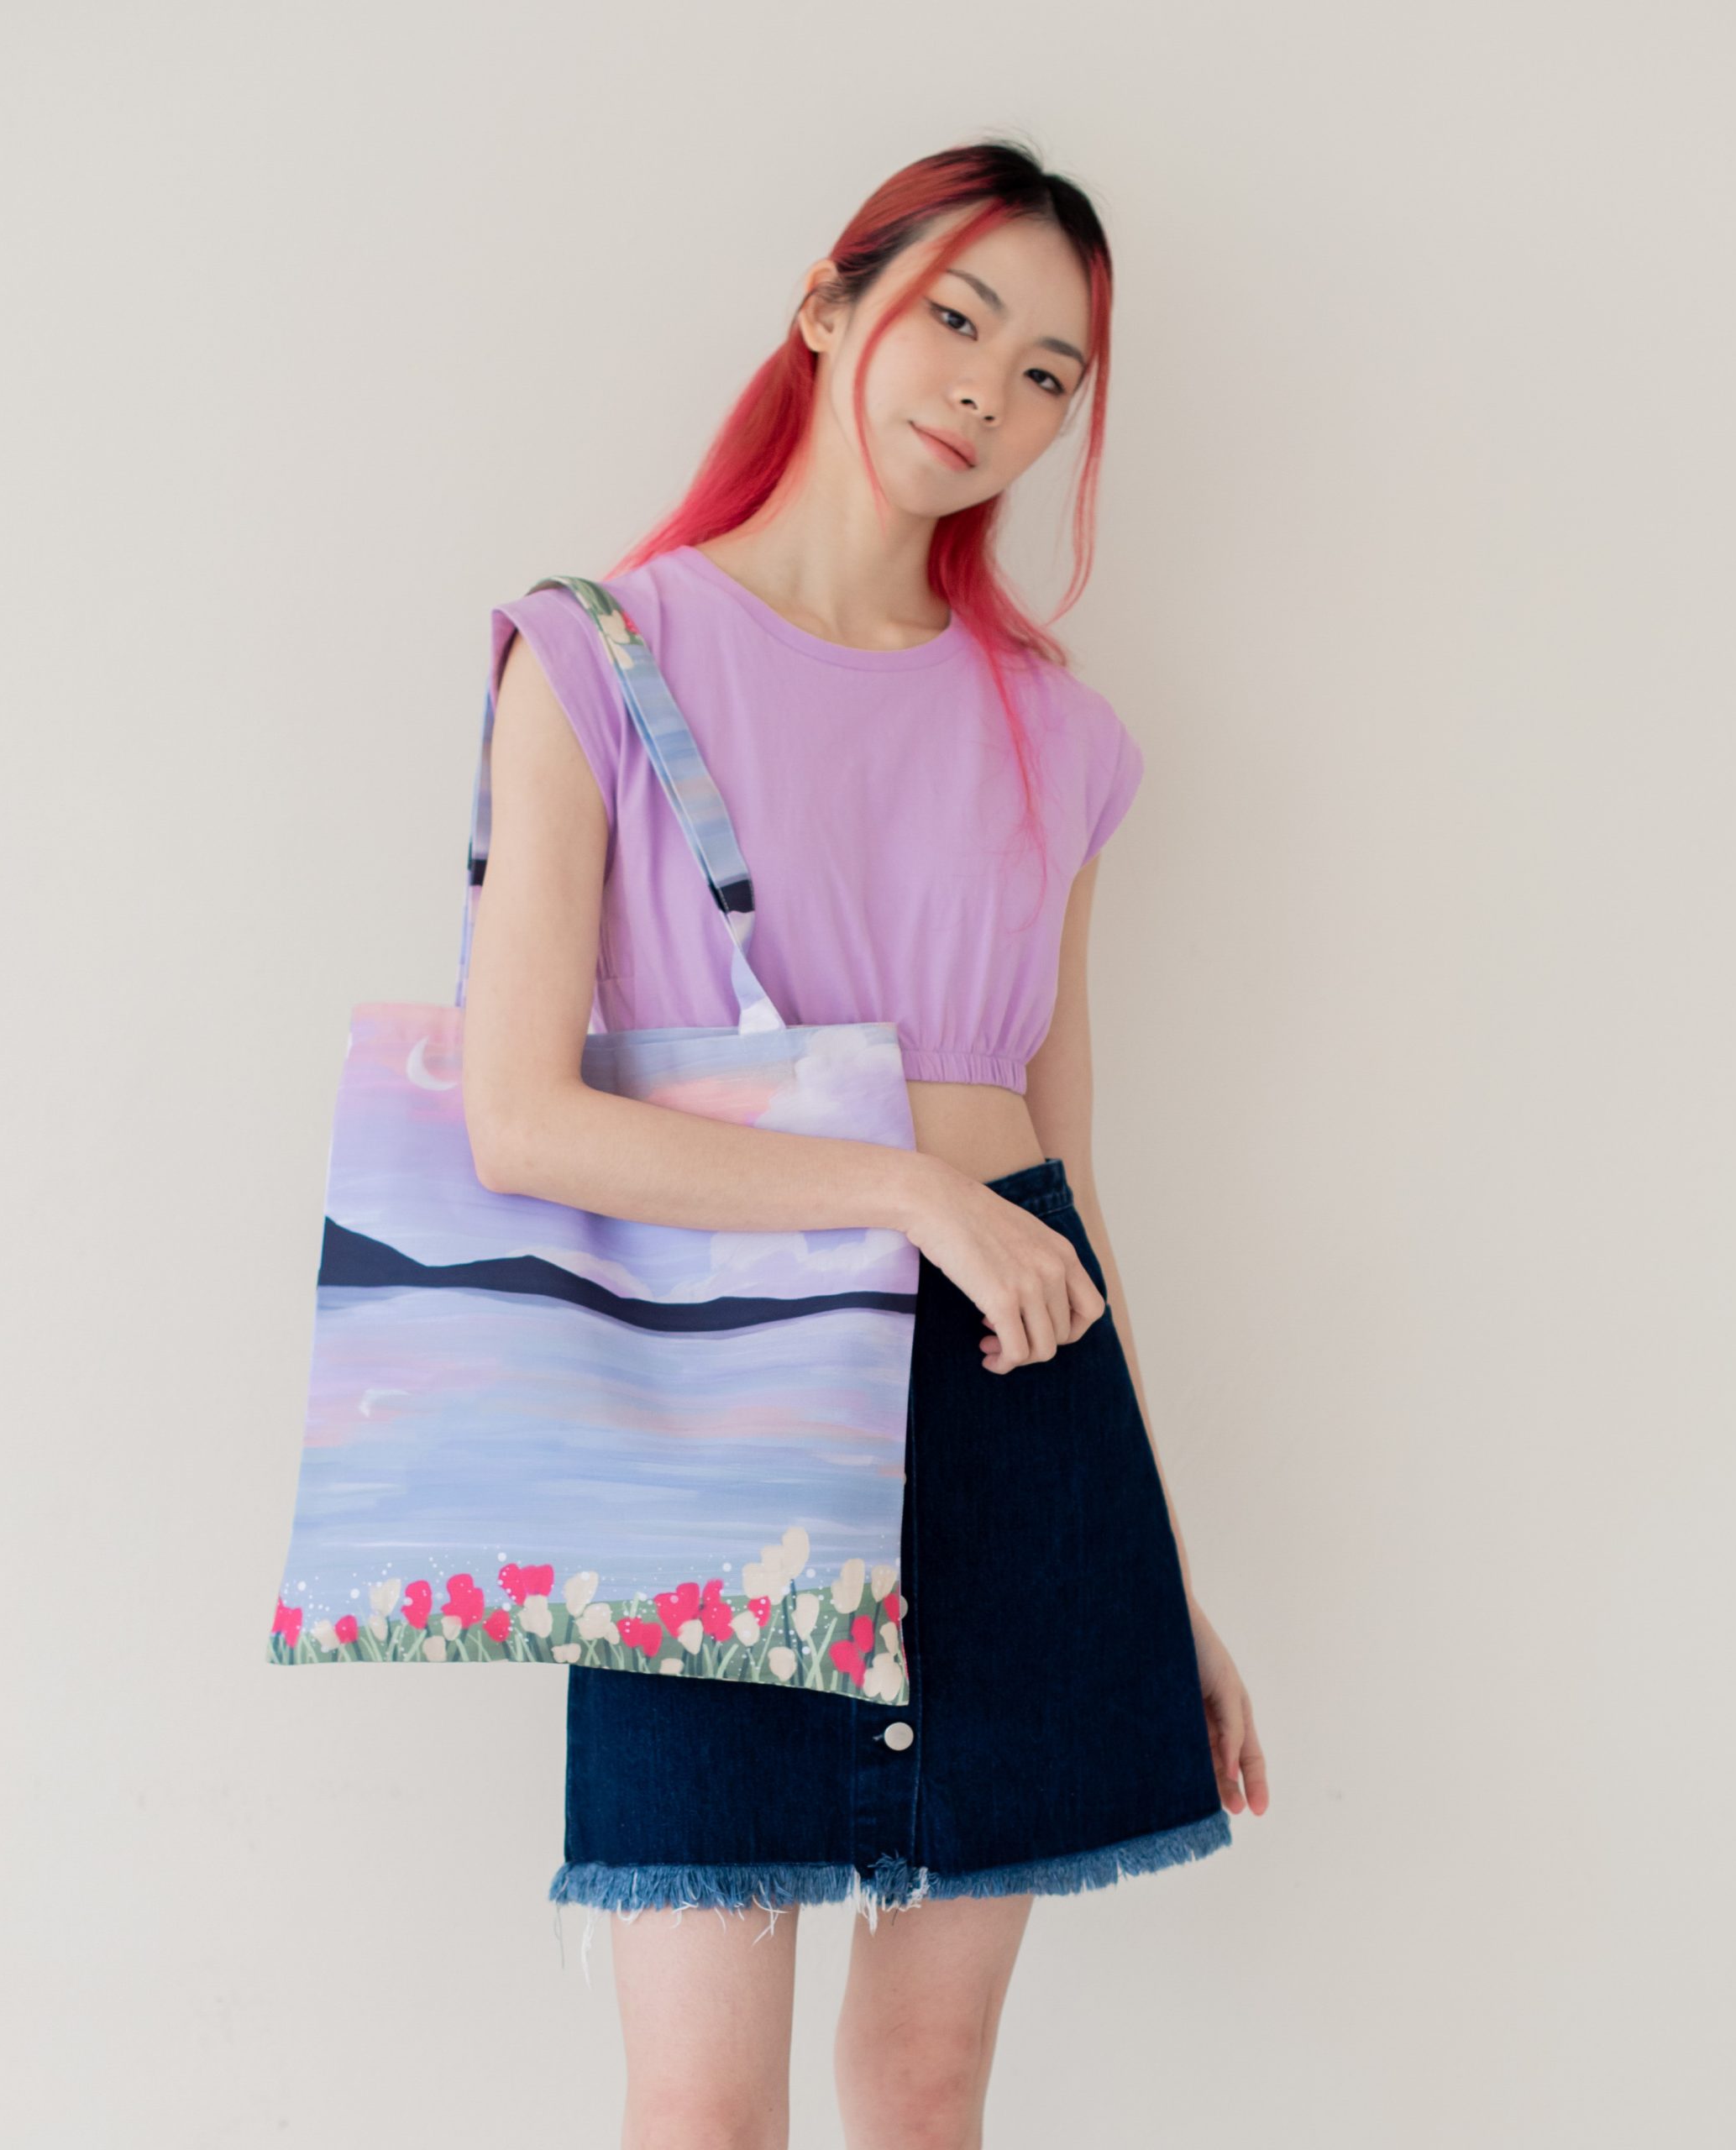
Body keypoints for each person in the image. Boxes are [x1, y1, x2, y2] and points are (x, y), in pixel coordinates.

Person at [464, 136, 1269, 2148]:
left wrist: (1158, 1571)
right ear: (829, 308)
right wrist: (906, 1186)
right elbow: (518, 1113)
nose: (989, 392)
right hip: (712, 1420)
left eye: (1048, 374)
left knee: (924, 2086)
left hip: (1019, 1414)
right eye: (954, 319)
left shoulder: (1053, 731)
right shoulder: (596, 654)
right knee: (701, 2109)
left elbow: (1066, 1174)